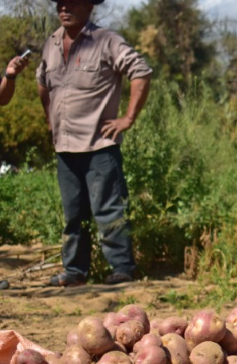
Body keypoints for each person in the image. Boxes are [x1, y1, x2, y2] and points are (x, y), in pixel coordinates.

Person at [36, 0, 153, 287]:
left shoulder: (106, 40)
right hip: (64, 146)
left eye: (73, 3)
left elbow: (141, 71)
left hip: (100, 144)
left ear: (89, 7)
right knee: (72, 215)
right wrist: (50, 119)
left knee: (109, 210)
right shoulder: (51, 43)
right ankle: (75, 272)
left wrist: (128, 118)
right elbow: (42, 82)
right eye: (60, 3)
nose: (65, 8)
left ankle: (122, 268)